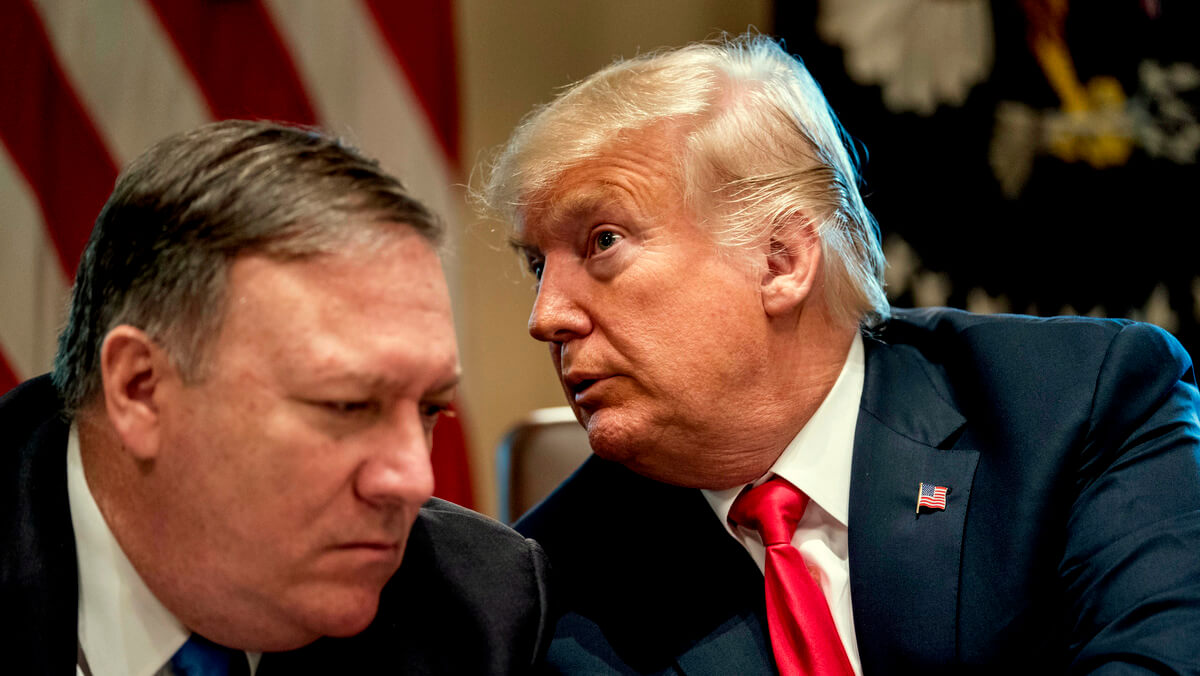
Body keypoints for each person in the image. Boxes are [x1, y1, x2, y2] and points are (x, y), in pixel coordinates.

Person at [479, 34, 1200, 673]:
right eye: (538, 266)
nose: (547, 318)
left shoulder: (1077, 407)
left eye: (602, 241)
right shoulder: (555, 586)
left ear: (782, 259)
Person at [1, 120, 551, 675]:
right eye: (348, 406)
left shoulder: (476, 611)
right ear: (140, 390)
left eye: (430, 408)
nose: (414, 481)